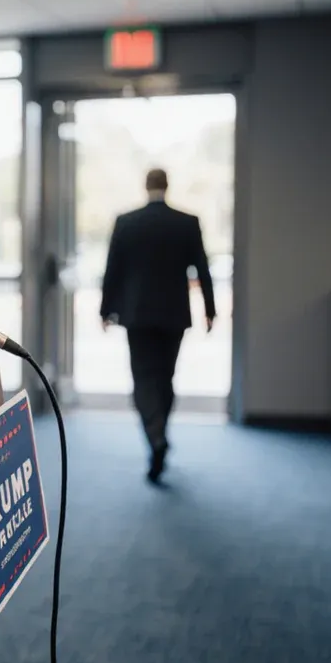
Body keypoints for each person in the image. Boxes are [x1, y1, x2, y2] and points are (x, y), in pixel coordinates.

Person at [100, 168, 216, 483]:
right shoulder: (186, 222)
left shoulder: (127, 222)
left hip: (137, 315)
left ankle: (155, 436)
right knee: (166, 377)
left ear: (145, 185)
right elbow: (202, 268)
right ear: (167, 185)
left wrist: (105, 309)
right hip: (173, 315)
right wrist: (210, 310)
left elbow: (113, 269)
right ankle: (161, 431)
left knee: (143, 378)